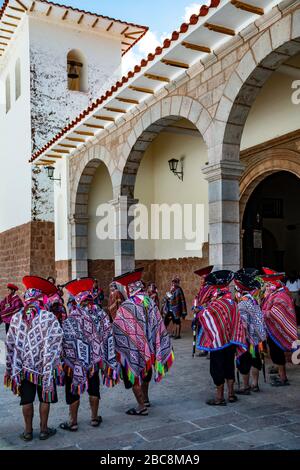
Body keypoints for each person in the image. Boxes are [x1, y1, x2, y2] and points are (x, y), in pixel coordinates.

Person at [4, 276, 63, 441]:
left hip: (24, 368)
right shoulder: (49, 317)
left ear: (27, 299)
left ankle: (28, 431)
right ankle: (44, 430)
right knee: (45, 396)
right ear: (40, 299)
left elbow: (9, 344)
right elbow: (58, 339)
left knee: (26, 399)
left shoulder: (16, 318)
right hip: (44, 366)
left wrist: (11, 367)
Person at [59, 278, 119, 432]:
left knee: (73, 389)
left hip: (75, 362)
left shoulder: (72, 316)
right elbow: (108, 335)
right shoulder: (101, 314)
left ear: (77, 299)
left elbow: (65, 339)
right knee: (94, 387)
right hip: (94, 360)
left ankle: (73, 421)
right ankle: (94, 418)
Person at [113, 268, 174, 416]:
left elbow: (118, 327)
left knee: (133, 374)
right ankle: (145, 399)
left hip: (133, 348)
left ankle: (141, 406)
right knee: (146, 371)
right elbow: (158, 324)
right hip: (150, 348)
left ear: (129, 289)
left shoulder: (127, 306)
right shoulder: (150, 302)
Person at [196, 270, 247, 406]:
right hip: (230, 340)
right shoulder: (232, 303)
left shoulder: (217, 304)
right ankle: (231, 394)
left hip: (218, 342)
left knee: (217, 368)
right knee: (229, 365)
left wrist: (200, 311)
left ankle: (219, 397)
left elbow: (206, 316)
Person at [261, 267, 298, 387]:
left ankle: (283, 378)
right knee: (275, 352)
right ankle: (280, 373)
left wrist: (261, 313)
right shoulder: (275, 294)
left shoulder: (281, 296)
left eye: (268, 284)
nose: (266, 286)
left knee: (278, 352)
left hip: (278, 328)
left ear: (274, 284)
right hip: (273, 328)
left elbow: (276, 313)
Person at [234, 271, 267, 394]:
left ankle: (245, 386)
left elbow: (243, 323)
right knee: (255, 359)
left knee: (244, 361)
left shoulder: (243, 303)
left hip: (246, 340)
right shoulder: (254, 300)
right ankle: (255, 384)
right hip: (256, 339)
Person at [193, 266, 214, 357]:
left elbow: (211, 302)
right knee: (200, 332)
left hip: (208, 314)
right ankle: (204, 350)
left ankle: (210, 351)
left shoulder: (211, 288)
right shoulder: (202, 288)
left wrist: (201, 308)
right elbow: (197, 298)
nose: (201, 281)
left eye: (202, 279)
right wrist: (195, 306)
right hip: (200, 314)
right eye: (201, 279)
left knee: (208, 332)